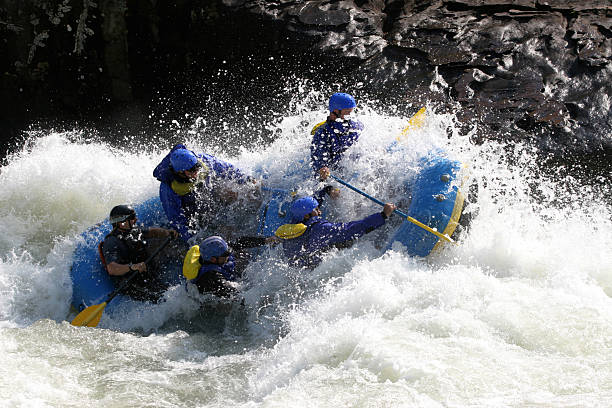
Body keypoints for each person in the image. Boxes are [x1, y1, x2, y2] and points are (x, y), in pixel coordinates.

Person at [153, 144, 257, 242]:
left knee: (230, 191)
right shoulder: (168, 189)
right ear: (180, 172)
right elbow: (176, 219)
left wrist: (247, 179)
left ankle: (255, 206)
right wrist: (192, 241)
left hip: (210, 197)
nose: (196, 171)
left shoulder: (202, 159)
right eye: (192, 170)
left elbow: (225, 168)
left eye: (196, 166)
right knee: (225, 233)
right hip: (194, 215)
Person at [278, 196, 396, 268]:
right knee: (348, 240)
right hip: (316, 267)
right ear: (307, 216)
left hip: (300, 269)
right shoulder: (320, 228)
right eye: (316, 209)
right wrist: (382, 215)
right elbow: (351, 229)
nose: (319, 211)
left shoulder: (289, 231)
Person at [100, 204, 179, 302]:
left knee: (168, 292)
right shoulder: (112, 242)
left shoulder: (133, 231)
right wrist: (132, 267)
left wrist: (167, 232)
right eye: (132, 217)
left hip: (145, 274)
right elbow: (112, 268)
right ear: (122, 222)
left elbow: (152, 232)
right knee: (165, 299)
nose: (136, 219)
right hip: (131, 282)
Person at [183, 235, 279, 298]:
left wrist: (265, 240)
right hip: (211, 296)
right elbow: (236, 295)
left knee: (242, 255)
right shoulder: (211, 277)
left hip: (224, 278)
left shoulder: (214, 254)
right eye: (225, 255)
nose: (228, 256)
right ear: (213, 260)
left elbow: (240, 242)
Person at [311, 92, 364, 181]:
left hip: (352, 171)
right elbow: (317, 157)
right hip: (334, 172)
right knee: (335, 193)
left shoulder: (355, 126)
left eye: (351, 112)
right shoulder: (322, 132)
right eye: (347, 112)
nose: (350, 116)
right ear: (335, 112)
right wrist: (323, 168)